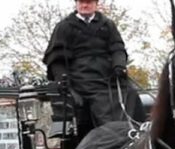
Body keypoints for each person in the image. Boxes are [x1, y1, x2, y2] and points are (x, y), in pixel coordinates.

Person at [43, 0, 145, 137]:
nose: (84, 5)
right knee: (100, 100)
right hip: (80, 78)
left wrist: (119, 65)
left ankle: (137, 133)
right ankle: (111, 135)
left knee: (130, 93)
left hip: (108, 76)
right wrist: (62, 79)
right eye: (81, 2)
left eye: (89, 2)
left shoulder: (107, 24)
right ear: (76, 3)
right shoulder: (64, 26)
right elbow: (56, 58)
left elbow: (118, 49)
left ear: (96, 4)